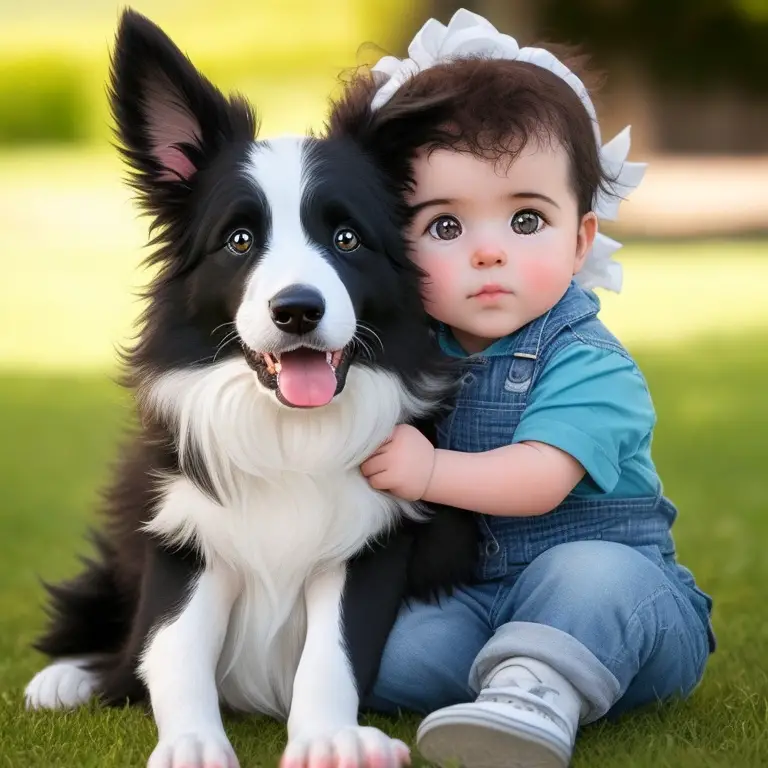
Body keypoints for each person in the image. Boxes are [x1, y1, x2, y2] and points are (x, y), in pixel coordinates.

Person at [330, 9, 716, 768]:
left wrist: (432, 470)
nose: (488, 254)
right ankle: (506, 673)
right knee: (392, 648)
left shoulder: (589, 363)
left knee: (588, 578)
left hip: (632, 607)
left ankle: (536, 693)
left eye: (526, 219)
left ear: (581, 239)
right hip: (482, 598)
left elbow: (540, 479)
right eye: (445, 227)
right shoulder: (409, 356)